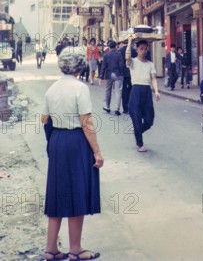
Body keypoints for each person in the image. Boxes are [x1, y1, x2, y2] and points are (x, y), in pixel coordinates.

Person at [41, 48, 103, 261]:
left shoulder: (52, 89)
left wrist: (53, 143)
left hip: (57, 141)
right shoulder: (80, 88)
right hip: (76, 142)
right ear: (80, 66)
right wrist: (97, 151)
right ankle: (75, 249)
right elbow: (86, 122)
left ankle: (51, 249)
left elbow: (44, 119)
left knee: (57, 193)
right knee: (77, 191)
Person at [126, 37, 160, 152]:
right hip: (135, 91)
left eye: (146, 49)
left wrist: (156, 91)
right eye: (141, 49)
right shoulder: (133, 62)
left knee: (149, 120)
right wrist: (130, 42)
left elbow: (154, 78)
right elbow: (127, 57)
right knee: (136, 118)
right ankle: (140, 144)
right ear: (137, 50)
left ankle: (137, 131)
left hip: (146, 91)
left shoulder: (150, 64)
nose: (144, 51)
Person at [100, 41, 125, 116]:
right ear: (116, 46)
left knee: (108, 91)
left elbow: (103, 66)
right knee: (118, 91)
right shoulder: (119, 54)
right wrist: (122, 73)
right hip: (117, 74)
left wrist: (101, 76)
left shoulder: (106, 55)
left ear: (109, 47)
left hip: (109, 74)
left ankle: (108, 107)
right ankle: (117, 109)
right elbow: (121, 64)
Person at [118, 41, 137, 114]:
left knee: (124, 91)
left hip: (123, 74)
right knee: (131, 90)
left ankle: (125, 108)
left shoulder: (120, 51)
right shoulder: (134, 50)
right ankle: (131, 106)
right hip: (132, 73)